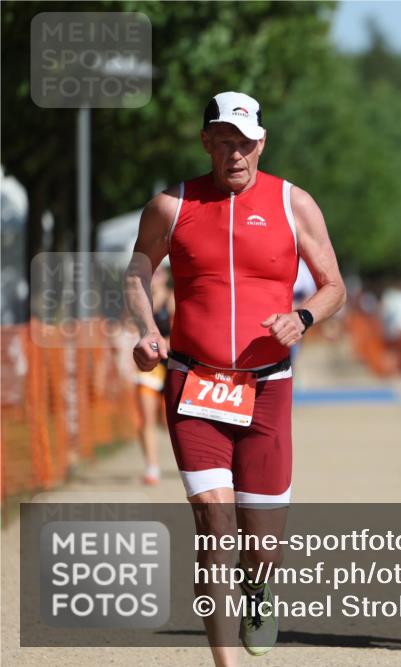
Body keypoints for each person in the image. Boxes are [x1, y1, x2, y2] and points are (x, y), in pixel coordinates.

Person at [124, 91, 346, 666]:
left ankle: (261, 588)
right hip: (193, 383)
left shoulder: (295, 204)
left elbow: (334, 287)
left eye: (246, 142)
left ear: (262, 143)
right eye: (224, 141)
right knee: (214, 523)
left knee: (261, 542)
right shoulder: (171, 206)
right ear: (206, 142)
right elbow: (135, 273)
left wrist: (302, 317)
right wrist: (149, 330)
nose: (236, 153)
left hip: (267, 386)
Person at [132, 263, 173, 485]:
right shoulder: (139, 304)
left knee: (168, 422)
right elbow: (126, 328)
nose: (154, 277)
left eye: (158, 272)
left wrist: (164, 342)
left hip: (174, 363)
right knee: (145, 417)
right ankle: (152, 467)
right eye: (151, 273)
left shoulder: (173, 299)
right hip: (151, 366)